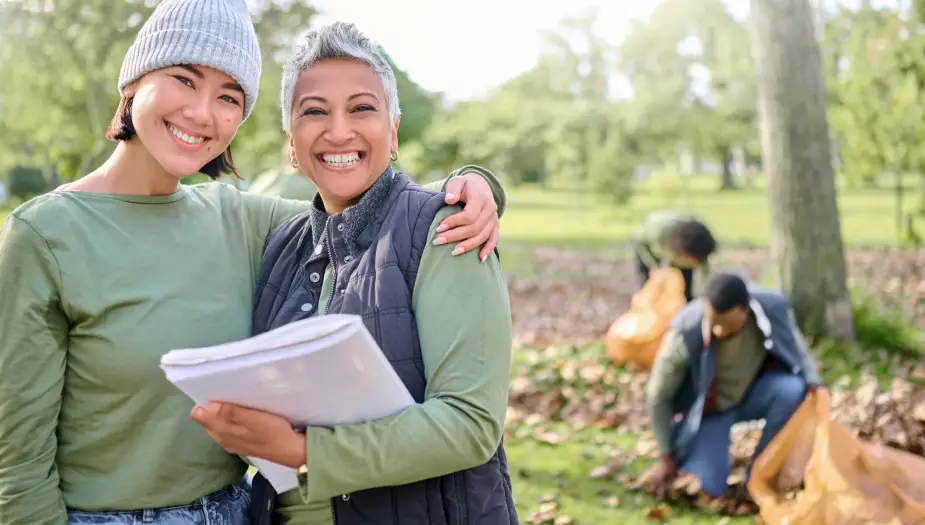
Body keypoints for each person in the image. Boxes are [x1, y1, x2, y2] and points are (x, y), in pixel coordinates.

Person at [0, 2, 506, 524]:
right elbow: (17, 465)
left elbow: (372, 206)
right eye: (183, 78)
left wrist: (472, 188)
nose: (202, 112)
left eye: (228, 97)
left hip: (237, 512)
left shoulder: (237, 219)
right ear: (133, 83)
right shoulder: (44, 235)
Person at [189, 22, 518, 525]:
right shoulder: (281, 242)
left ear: (394, 130)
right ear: (292, 145)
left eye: (362, 108)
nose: (339, 130)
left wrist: (306, 452)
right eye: (314, 112)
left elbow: (470, 424)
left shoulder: (446, 230)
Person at [644, 272, 821, 499]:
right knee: (708, 488)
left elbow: (797, 347)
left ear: (745, 311)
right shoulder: (685, 331)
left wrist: (814, 381)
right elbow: (657, 395)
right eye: (714, 323)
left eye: (728, 325)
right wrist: (665, 456)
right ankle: (693, 454)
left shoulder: (769, 310)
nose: (719, 331)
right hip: (707, 412)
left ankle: (760, 473)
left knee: (791, 389)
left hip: (751, 394)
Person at [632, 210, 718, 302]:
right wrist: (653, 265)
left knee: (684, 284)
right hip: (646, 243)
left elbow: (706, 275)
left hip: (679, 250)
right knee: (649, 282)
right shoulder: (657, 232)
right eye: (694, 262)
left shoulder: (700, 246)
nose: (696, 266)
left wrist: (711, 294)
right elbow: (639, 241)